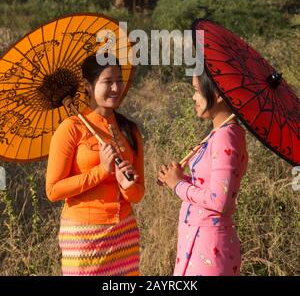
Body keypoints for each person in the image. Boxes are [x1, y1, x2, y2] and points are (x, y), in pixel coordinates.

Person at [46, 53, 144, 276]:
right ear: (88, 86)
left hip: (124, 234)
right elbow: (53, 190)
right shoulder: (71, 129)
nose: (116, 88)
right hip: (83, 238)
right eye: (107, 82)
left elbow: (139, 194)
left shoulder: (130, 131)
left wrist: (126, 186)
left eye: (119, 80)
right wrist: (102, 171)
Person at [158, 70, 248, 276]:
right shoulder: (221, 132)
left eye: (197, 91)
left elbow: (220, 201)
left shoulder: (227, 136)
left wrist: (179, 186)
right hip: (199, 241)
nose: (193, 97)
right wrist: (181, 178)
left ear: (218, 94)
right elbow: (212, 186)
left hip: (209, 247)